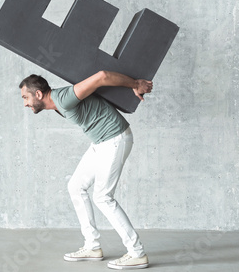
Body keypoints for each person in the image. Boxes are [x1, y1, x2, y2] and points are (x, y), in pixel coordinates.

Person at [19, 70, 153, 270]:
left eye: (25, 97)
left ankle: (137, 253)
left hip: (115, 138)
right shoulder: (57, 104)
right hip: (100, 143)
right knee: (75, 186)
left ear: (38, 94)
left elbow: (102, 76)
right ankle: (92, 246)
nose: (25, 104)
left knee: (103, 197)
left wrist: (135, 83)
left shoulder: (63, 98)